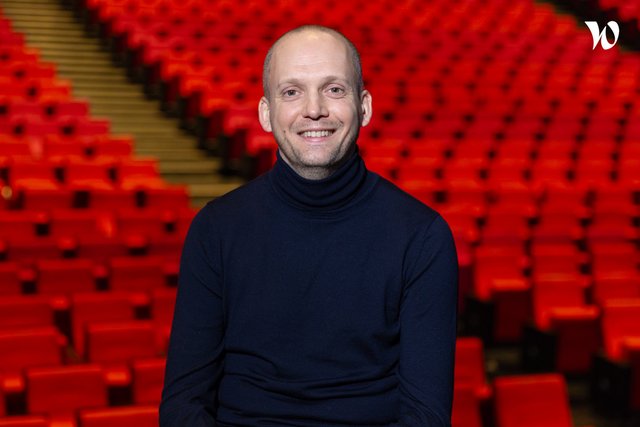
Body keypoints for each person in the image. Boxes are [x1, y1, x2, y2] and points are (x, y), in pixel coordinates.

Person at [160, 25, 458, 426]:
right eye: (291, 92)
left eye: (334, 89)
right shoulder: (215, 229)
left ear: (364, 106)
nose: (313, 109)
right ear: (266, 114)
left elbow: (426, 417)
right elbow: (182, 405)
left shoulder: (423, 236)